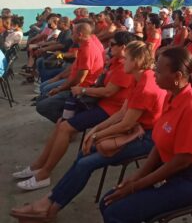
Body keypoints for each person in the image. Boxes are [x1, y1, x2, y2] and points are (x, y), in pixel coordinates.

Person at [10, 41, 167, 221]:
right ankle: (51, 202)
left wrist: (96, 135)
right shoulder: (139, 79)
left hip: (147, 139)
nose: (123, 62)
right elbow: (122, 113)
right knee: (83, 155)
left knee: (86, 162)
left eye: (127, 59)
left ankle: (49, 204)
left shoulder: (146, 86)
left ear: (137, 61)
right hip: (134, 130)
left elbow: (125, 123)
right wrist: (96, 130)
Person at [99, 46, 192, 222]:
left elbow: (181, 161)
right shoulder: (170, 96)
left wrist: (137, 186)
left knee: (115, 212)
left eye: (158, 71)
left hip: (187, 181)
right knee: (107, 202)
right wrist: (137, 176)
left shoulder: (191, 108)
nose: (153, 73)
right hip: (169, 171)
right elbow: (159, 146)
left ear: (177, 77)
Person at [13, 32, 136, 190]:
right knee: (61, 123)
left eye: (112, 45)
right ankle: (38, 165)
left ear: (124, 48)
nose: (108, 47)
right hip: (100, 103)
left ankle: (44, 174)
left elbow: (108, 92)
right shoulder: (115, 61)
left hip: (110, 109)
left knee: (65, 127)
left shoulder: (124, 67)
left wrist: (83, 91)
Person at [36, 21, 104, 123]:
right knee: (43, 94)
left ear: (80, 35)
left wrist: (60, 88)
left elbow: (79, 80)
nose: (71, 35)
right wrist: (59, 78)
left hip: (80, 89)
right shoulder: (84, 46)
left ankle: (69, 124)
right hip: (72, 82)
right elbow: (74, 68)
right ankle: (66, 119)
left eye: (73, 33)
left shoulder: (87, 49)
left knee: (42, 105)